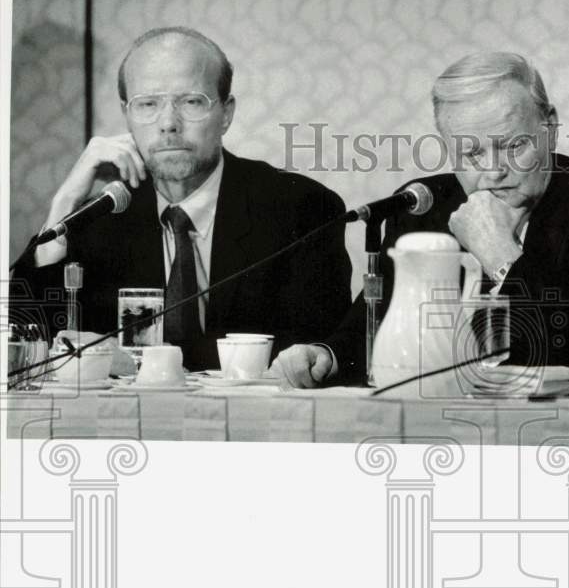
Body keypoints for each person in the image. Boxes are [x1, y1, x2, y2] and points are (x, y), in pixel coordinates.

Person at [272, 52, 569, 394]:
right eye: (471, 153)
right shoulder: (424, 206)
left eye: (514, 146)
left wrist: (502, 255)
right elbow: (379, 322)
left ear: (550, 127)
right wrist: (328, 354)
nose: (493, 170)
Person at [11, 26, 352, 371]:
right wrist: (65, 201)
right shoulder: (100, 217)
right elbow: (26, 344)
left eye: (191, 101)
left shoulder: (302, 208)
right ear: (127, 116)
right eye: (147, 104)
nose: (168, 123)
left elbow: (312, 354)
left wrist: (140, 362)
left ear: (226, 114)